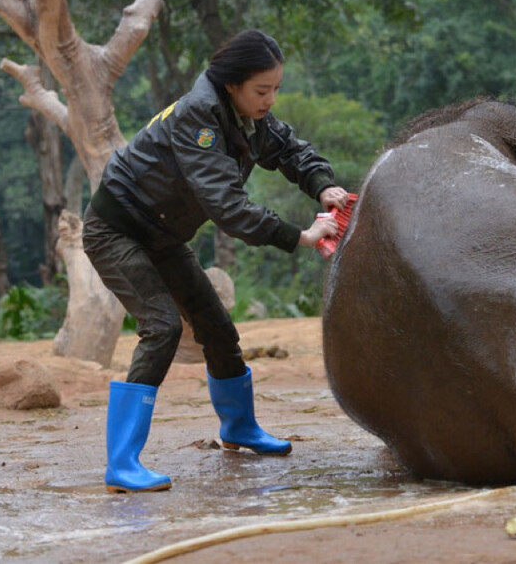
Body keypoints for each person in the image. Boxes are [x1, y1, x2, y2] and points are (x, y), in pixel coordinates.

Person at [83, 29, 349, 492]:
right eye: (262, 90)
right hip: (117, 230)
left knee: (218, 328)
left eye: (276, 89)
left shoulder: (245, 117)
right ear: (232, 84)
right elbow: (227, 207)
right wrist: (301, 236)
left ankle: (239, 429)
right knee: (163, 325)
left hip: (162, 235)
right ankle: (121, 464)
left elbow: (289, 149)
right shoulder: (199, 119)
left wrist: (322, 184)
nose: (270, 100)